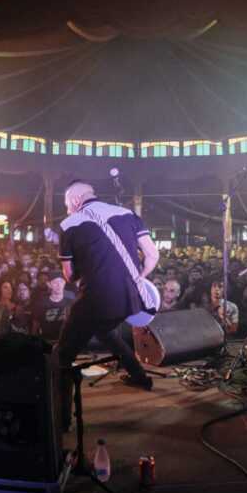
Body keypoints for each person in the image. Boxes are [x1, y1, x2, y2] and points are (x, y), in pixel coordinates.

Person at [55, 180, 159, 431]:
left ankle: (61, 420)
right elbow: (152, 255)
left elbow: (69, 276)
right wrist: (135, 281)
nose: (67, 209)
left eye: (67, 204)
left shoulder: (69, 224)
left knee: (62, 357)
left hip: (94, 301)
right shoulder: (128, 214)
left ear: (76, 200)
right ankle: (140, 376)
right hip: (129, 300)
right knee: (107, 333)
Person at [30, 270, 73, 342]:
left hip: (65, 342)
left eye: (61, 282)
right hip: (47, 342)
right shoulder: (42, 303)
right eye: (55, 282)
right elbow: (36, 326)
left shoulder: (70, 303)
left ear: (64, 283)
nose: (59, 285)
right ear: (49, 284)